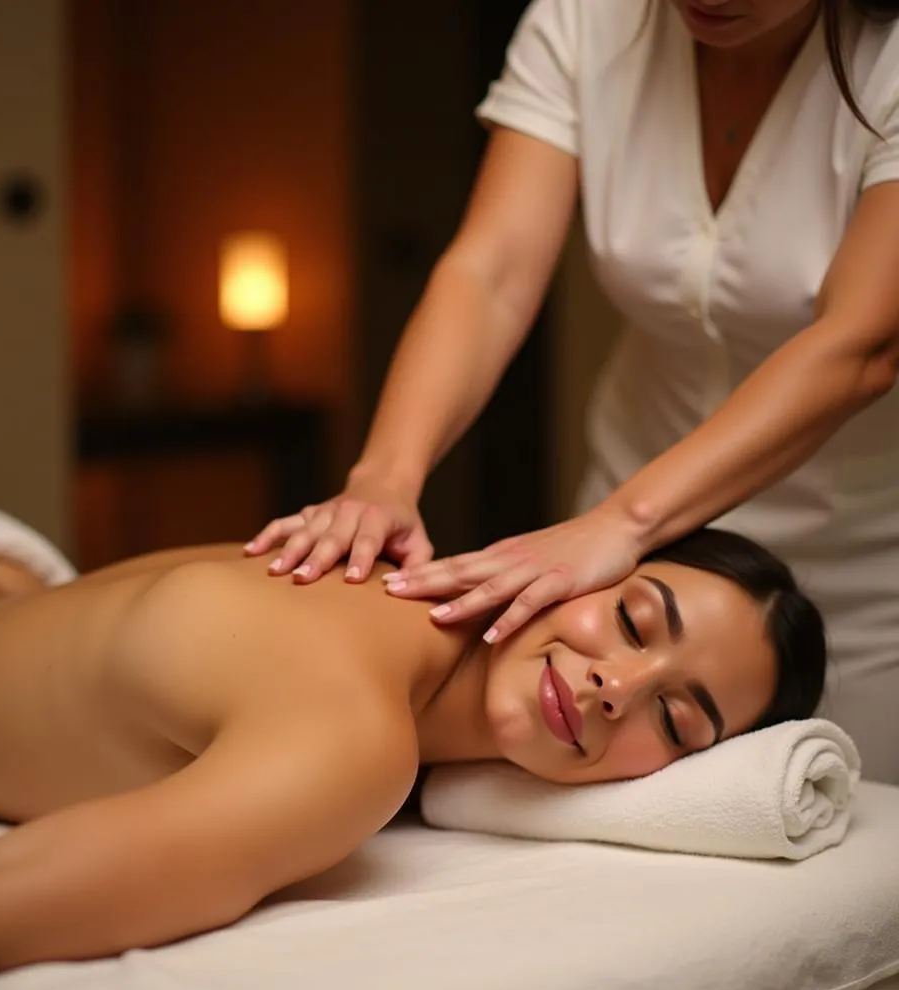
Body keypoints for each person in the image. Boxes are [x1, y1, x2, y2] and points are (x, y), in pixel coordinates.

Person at [244, 0, 899, 783]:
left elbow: (861, 341)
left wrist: (626, 520)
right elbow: (492, 275)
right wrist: (387, 472)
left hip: (860, 568)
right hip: (634, 559)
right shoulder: (589, 17)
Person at [0, 509, 822, 990]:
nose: (619, 685)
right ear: (574, 565)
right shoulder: (352, 746)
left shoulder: (375, 567)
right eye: (630, 619)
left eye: (678, 724)